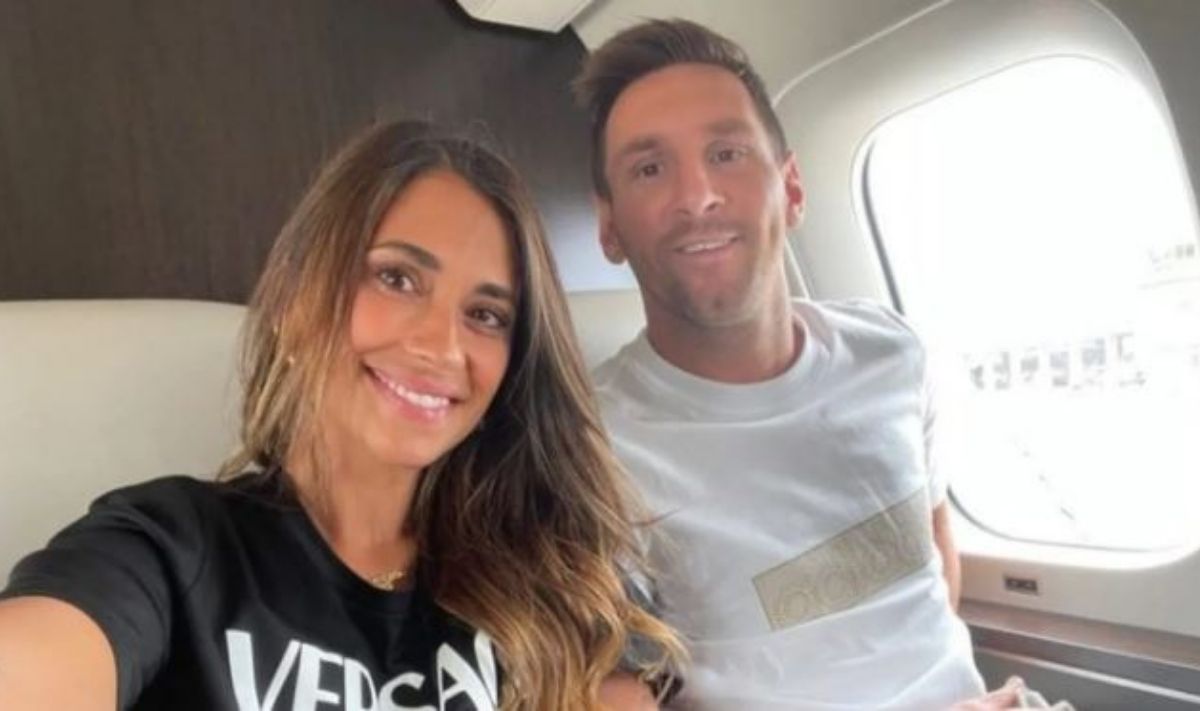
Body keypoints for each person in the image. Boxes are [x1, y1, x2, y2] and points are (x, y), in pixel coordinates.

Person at [0, 121, 683, 710]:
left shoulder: (554, 573)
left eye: (485, 314)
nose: (441, 346)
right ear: (298, 299)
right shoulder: (169, 549)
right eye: (396, 278)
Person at [573, 19, 1028, 710]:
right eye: (649, 169)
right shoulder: (587, 448)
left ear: (790, 188)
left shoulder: (892, 352)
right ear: (609, 226)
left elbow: (929, 558)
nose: (697, 195)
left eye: (726, 153)